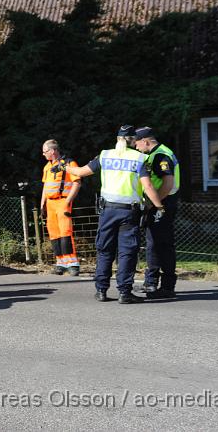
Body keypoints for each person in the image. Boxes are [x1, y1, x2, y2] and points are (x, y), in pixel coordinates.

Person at [63, 126, 165, 304]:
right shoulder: (139, 158)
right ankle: (124, 293)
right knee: (127, 252)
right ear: (133, 140)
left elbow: (80, 172)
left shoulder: (105, 155)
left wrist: (65, 166)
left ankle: (101, 290)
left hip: (107, 211)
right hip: (128, 212)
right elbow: (148, 187)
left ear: (117, 139)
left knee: (104, 250)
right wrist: (159, 206)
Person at [134, 126, 180, 299]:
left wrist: (154, 205)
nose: (136, 147)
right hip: (161, 202)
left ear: (146, 141)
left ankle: (165, 287)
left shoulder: (160, 155)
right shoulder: (157, 153)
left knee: (162, 244)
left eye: (138, 144)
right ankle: (151, 283)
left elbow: (167, 184)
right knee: (154, 243)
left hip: (163, 203)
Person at [40, 139, 81, 276]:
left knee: (65, 233)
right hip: (50, 204)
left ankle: (72, 264)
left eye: (45, 151)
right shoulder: (47, 166)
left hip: (62, 201)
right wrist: (42, 204)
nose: (43, 154)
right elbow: (45, 186)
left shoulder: (69, 164)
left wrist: (68, 201)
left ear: (52, 151)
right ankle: (61, 263)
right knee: (54, 234)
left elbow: (77, 183)